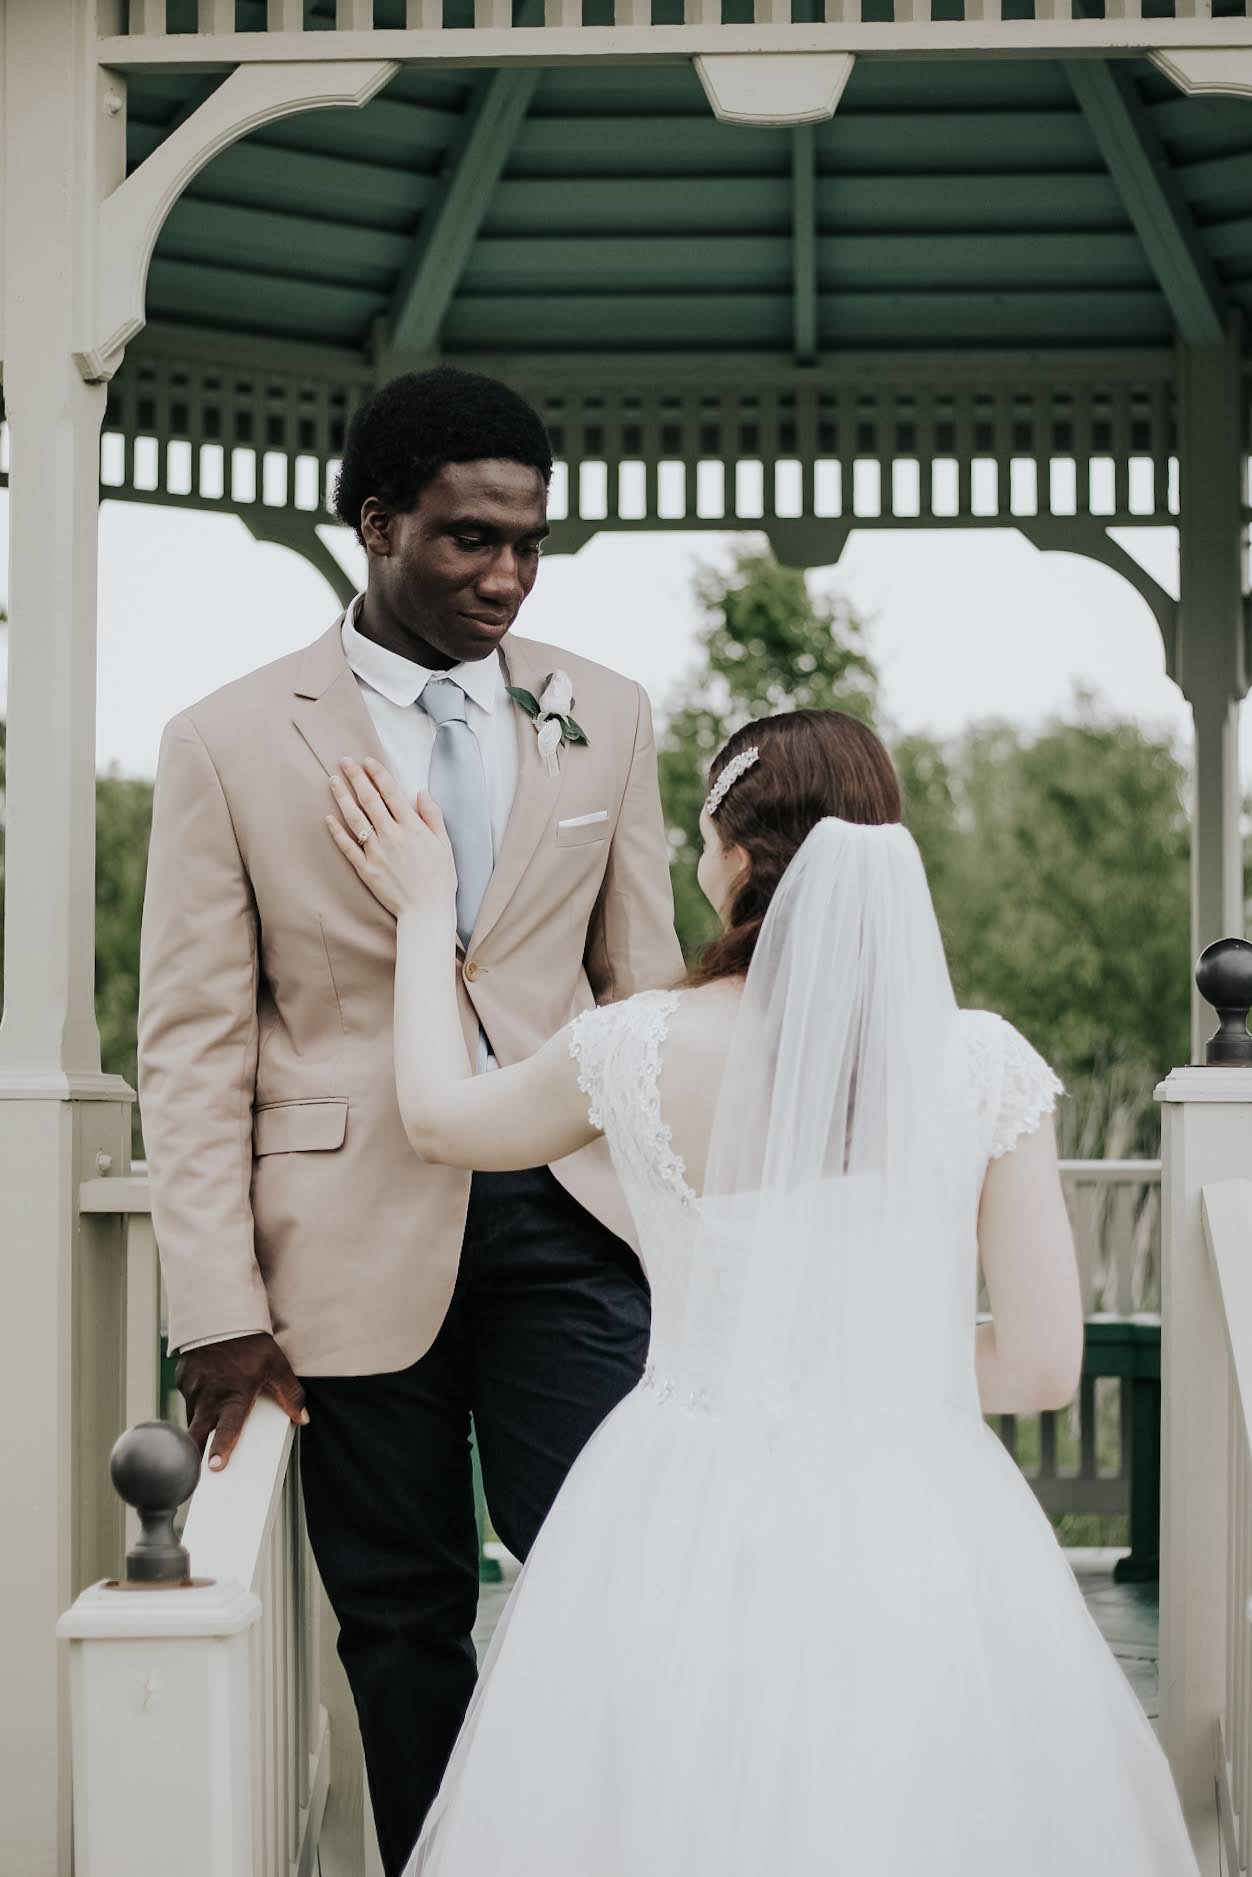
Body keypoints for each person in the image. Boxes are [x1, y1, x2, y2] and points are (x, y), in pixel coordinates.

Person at [324, 706, 1202, 1877]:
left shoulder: (634, 1047)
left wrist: (424, 904)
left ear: (737, 858)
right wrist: (878, 1360)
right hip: (917, 1506)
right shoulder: (982, 1064)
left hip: (679, 1497)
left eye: (701, 839)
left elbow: (437, 1120)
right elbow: (1041, 1366)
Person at [137, 366, 683, 1875]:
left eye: (529, 543)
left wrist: (681, 1228)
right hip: (345, 1244)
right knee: (399, 1616)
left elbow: (642, 993)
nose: (506, 576)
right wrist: (215, 1304)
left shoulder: (607, 711)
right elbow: (192, 1043)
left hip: (571, 1214)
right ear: (377, 524)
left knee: (615, 1575)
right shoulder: (226, 739)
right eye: (468, 540)